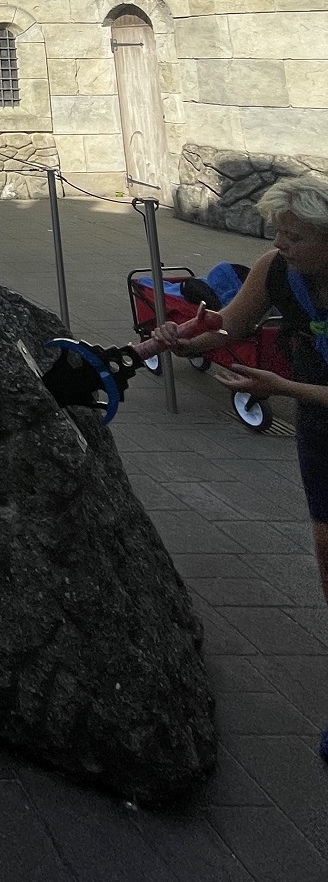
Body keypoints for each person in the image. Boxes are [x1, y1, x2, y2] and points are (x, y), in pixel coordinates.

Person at [148, 173, 328, 759]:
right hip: (320, 428)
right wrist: (182, 340)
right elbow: (231, 324)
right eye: (277, 232)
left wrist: (283, 387)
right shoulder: (276, 270)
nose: (279, 244)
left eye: (294, 237)